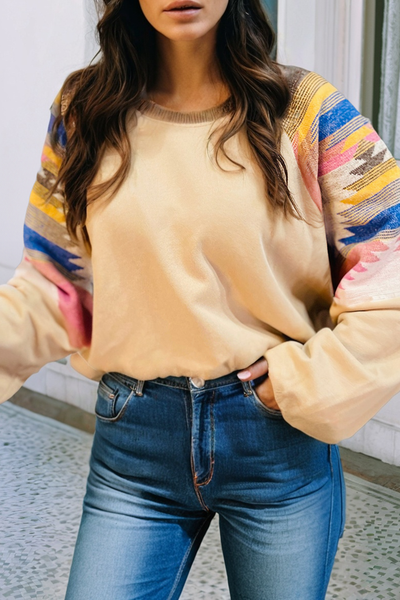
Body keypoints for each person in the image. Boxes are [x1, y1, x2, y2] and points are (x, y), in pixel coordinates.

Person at [1, 0, 400, 598]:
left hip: (274, 443)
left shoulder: (305, 110)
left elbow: (391, 263)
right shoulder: (86, 110)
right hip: (134, 447)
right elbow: (54, 282)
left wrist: (302, 382)